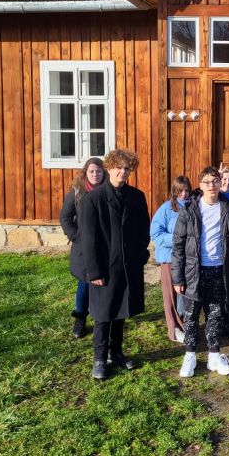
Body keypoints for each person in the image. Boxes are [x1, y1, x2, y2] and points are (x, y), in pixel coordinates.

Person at [80, 149, 150, 380]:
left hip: (128, 265)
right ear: (109, 168)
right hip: (104, 267)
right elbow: (89, 239)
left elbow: (143, 230)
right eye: (118, 167)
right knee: (103, 313)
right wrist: (95, 271)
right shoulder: (93, 199)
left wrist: (140, 255)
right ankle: (100, 359)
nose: (122, 172)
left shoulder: (136, 196)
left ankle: (116, 353)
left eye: (127, 168)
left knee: (121, 309)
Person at [172, 166, 229, 378]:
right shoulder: (189, 210)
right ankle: (190, 356)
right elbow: (178, 246)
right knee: (191, 316)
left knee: (215, 314)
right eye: (207, 182)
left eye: (215, 181)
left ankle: (214, 355)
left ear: (220, 183)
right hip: (194, 271)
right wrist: (178, 278)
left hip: (218, 270)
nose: (212, 186)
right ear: (200, 185)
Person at [60, 157, 105, 339]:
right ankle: (80, 317)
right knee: (86, 281)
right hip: (84, 247)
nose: (95, 174)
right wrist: (76, 237)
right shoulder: (77, 192)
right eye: (92, 171)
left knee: (104, 282)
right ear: (86, 173)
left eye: (99, 171)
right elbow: (65, 218)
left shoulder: (108, 190)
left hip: (105, 245)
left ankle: (103, 317)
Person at [150, 176, 192, 344]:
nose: (184, 194)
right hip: (170, 258)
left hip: (188, 258)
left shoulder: (192, 206)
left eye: (186, 190)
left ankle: (186, 324)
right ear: (174, 191)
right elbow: (155, 233)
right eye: (180, 191)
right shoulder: (166, 209)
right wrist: (176, 239)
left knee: (185, 293)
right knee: (171, 295)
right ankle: (174, 328)